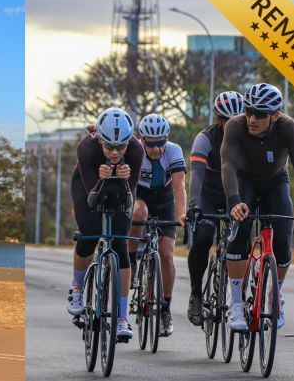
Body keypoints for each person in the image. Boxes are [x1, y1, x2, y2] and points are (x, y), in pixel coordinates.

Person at [221, 83, 294, 331]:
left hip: (275, 181)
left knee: (283, 237)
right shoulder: (235, 126)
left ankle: (275, 296)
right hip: (245, 180)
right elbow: (228, 165)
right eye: (249, 111)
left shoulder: (288, 127)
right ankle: (237, 303)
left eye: (260, 114)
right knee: (240, 232)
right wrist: (234, 202)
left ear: (275, 115)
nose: (252, 118)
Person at [68, 107, 144, 339]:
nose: (114, 152)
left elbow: (129, 196)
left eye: (120, 146)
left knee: (120, 244)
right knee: (88, 236)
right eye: (109, 146)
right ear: (99, 138)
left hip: (121, 190)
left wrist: (124, 180)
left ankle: (122, 317)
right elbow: (92, 198)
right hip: (87, 186)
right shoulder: (87, 148)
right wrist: (101, 179)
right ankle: (77, 287)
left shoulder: (137, 150)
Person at [186, 91, 244, 326]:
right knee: (203, 238)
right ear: (218, 120)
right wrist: (194, 204)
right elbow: (196, 175)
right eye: (226, 120)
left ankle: (239, 298)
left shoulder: (246, 137)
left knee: (241, 244)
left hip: (236, 195)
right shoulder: (205, 138)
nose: (232, 125)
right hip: (209, 195)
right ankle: (196, 295)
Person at [126, 114, 186, 337]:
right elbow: (127, 185)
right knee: (139, 212)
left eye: (160, 142)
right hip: (139, 194)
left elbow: (179, 185)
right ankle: (131, 262)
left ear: (166, 139)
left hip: (164, 199)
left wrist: (182, 213)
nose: (156, 148)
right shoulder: (134, 150)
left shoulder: (174, 150)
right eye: (150, 143)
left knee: (167, 254)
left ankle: (165, 309)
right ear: (142, 140)